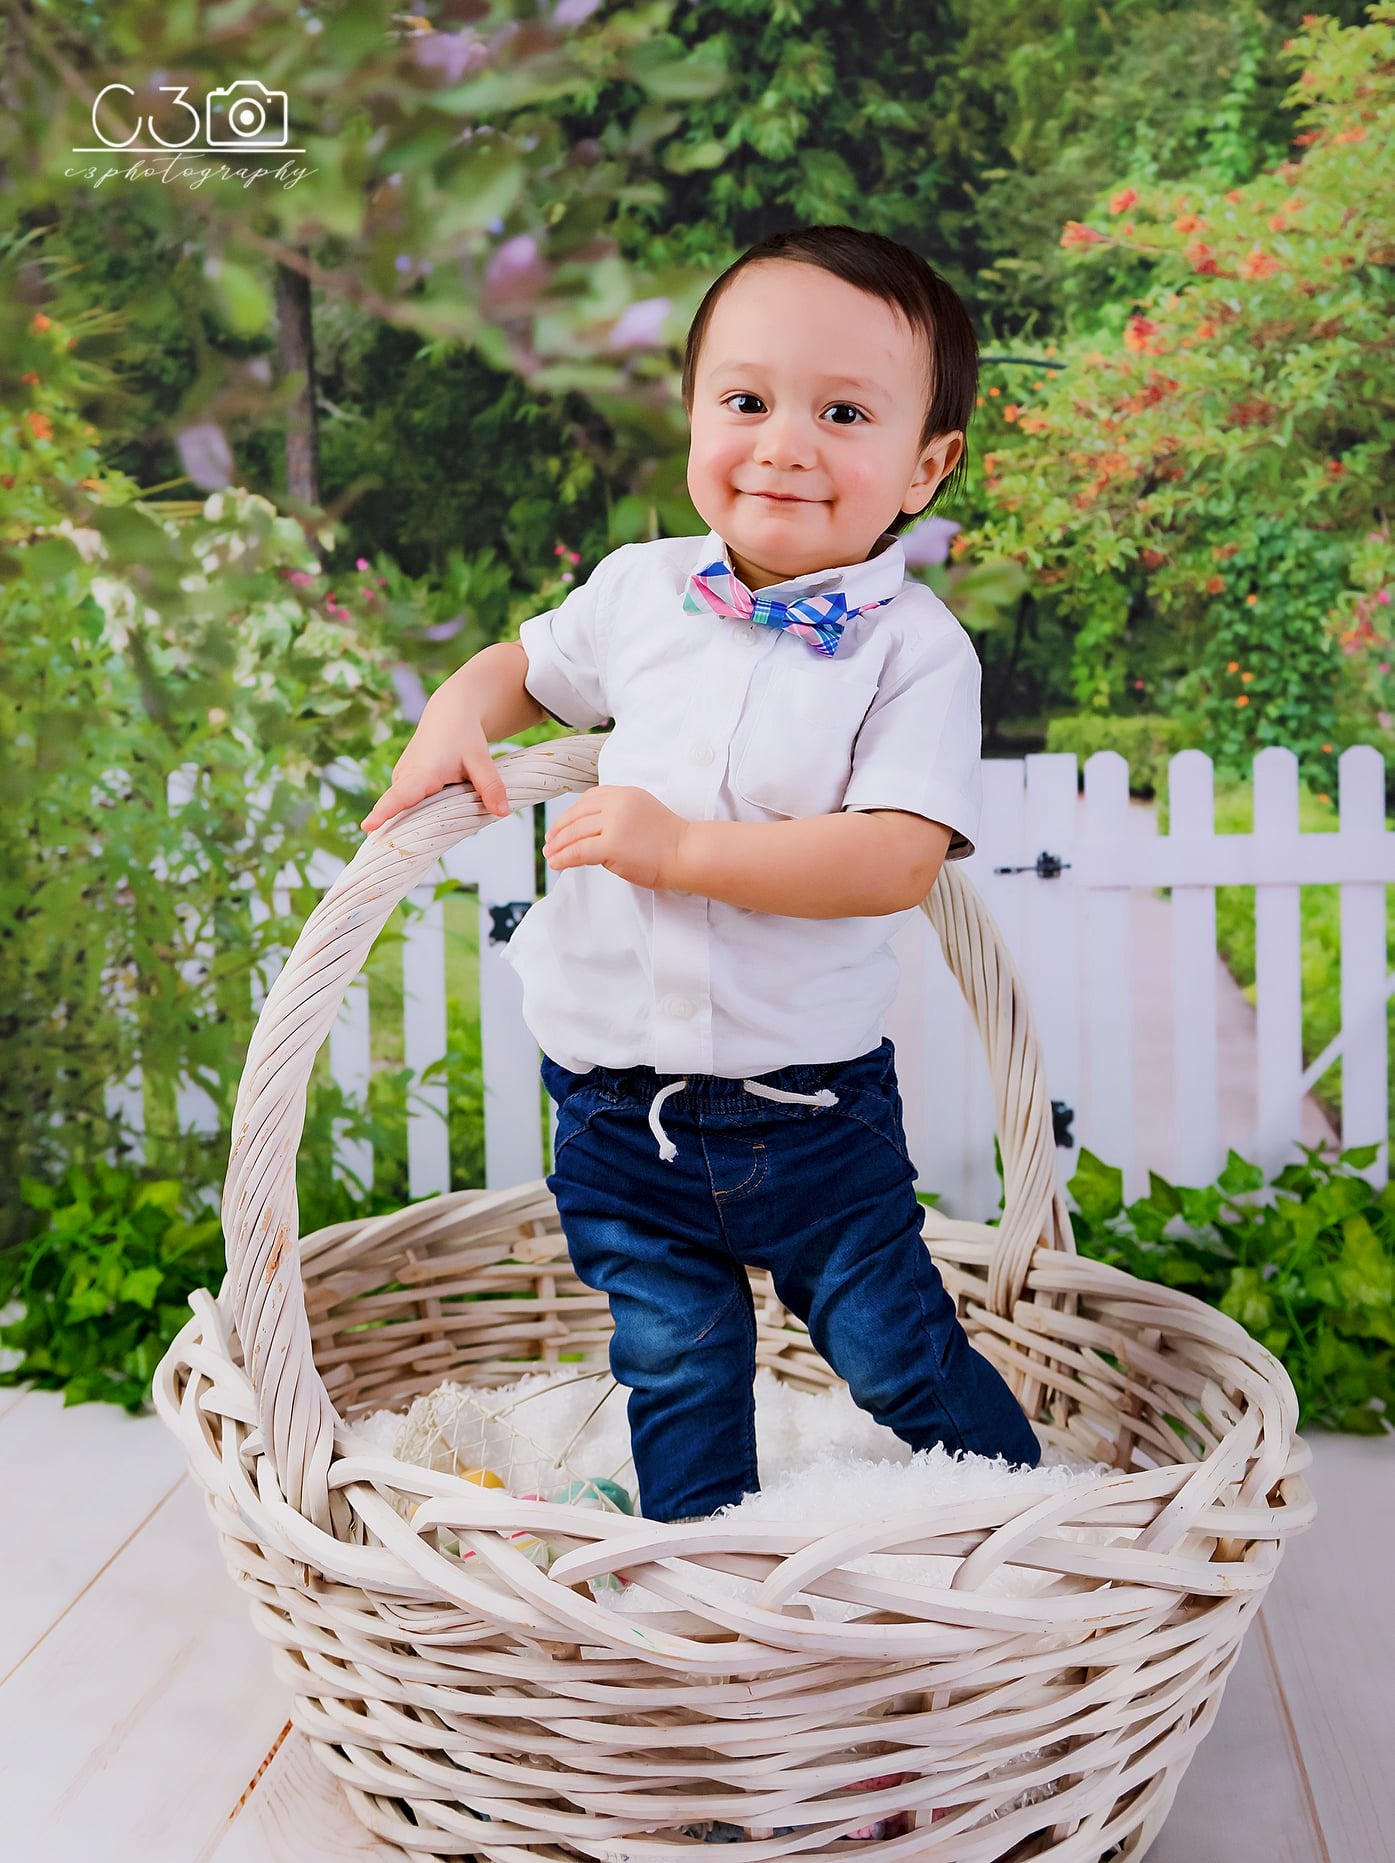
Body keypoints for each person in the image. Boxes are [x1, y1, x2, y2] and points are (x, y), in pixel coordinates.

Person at [361, 222, 1042, 1533]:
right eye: (745, 402)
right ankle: (703, 1571)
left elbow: (895, 856)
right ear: (691, 417)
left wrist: (680, 851)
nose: (784, 444)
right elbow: (522, 670)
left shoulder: (913, 652)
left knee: (893, 1350)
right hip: (616, 1110)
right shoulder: (639, 592)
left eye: (843, 413)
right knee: (674, 1361)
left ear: (927, 465)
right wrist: (455, 713)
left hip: (812, 1114)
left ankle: (1034, 1525)